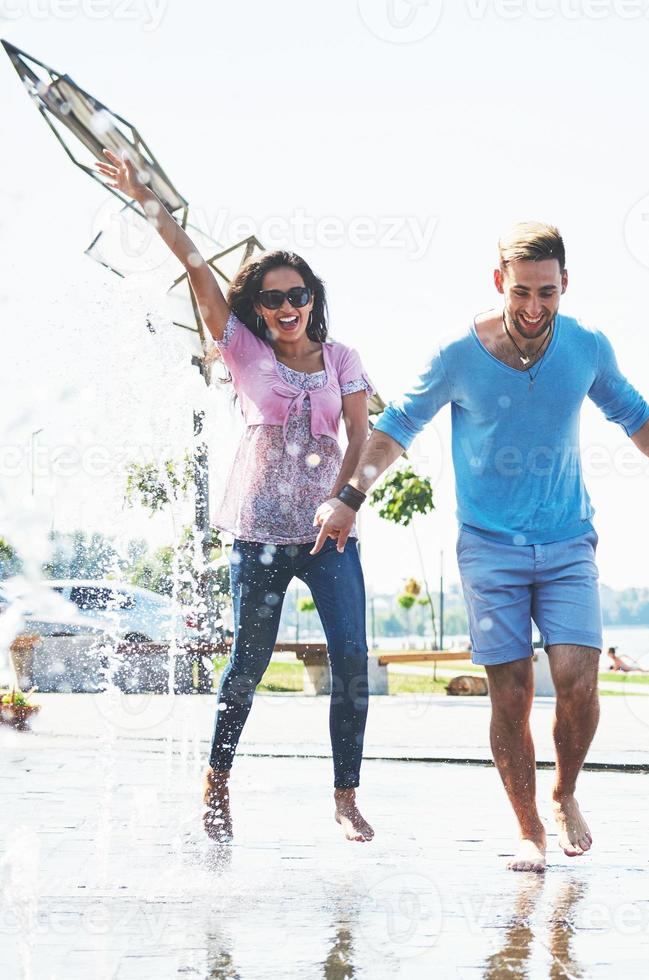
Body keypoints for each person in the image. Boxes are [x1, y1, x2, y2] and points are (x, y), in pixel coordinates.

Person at [313, 222, 649, 872]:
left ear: (565, 286)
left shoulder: (585, 347)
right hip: (488, 550)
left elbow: (637, 418)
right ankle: (529, 830)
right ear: (499, 282)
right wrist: (350, 496)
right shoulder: (457, 354)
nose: (534, 308)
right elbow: (396, 429)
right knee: (507, 693)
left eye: (548, 293)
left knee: (577, 681)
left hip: (567, 541)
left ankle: (564, 792)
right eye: (522, 292)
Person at [95, 150, 376, 844]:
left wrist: (346, 501)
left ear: (313, 298)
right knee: (246, 666)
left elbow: (366, 442)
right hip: (257, 532)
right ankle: (217, 782)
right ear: (256, 308)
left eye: (297, 295)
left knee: (351, 657)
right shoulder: (244, 354)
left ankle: (345, 795)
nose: (286, 307)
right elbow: (195, 266)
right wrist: (146, 199)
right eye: (272, 299)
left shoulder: (342, 360)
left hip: (329, 533)